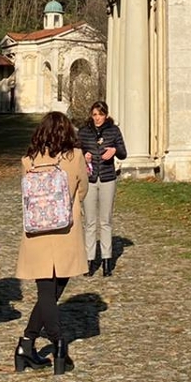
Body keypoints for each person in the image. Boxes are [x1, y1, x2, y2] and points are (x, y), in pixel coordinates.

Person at [13, 111, 87, 376]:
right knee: (54, 289)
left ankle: (26, 343)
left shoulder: (28, 160)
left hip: (37, 231)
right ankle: (59, 343)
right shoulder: (74, 157)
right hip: (65, 229)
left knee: (47, 292)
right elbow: (84, 188)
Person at [76, 101, 127, 277]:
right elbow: (74, 153)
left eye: (100, 114)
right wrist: (84, 156)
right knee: (90, 222)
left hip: (107, 178)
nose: (97, 118)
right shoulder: (84, 132)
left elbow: (123, 153)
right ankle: (89, 260)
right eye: (95, 114)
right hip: (89, 179)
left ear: (106, 115)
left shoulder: (114, 130)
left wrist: (114, 150)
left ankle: (107, 260)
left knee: (105, 221)